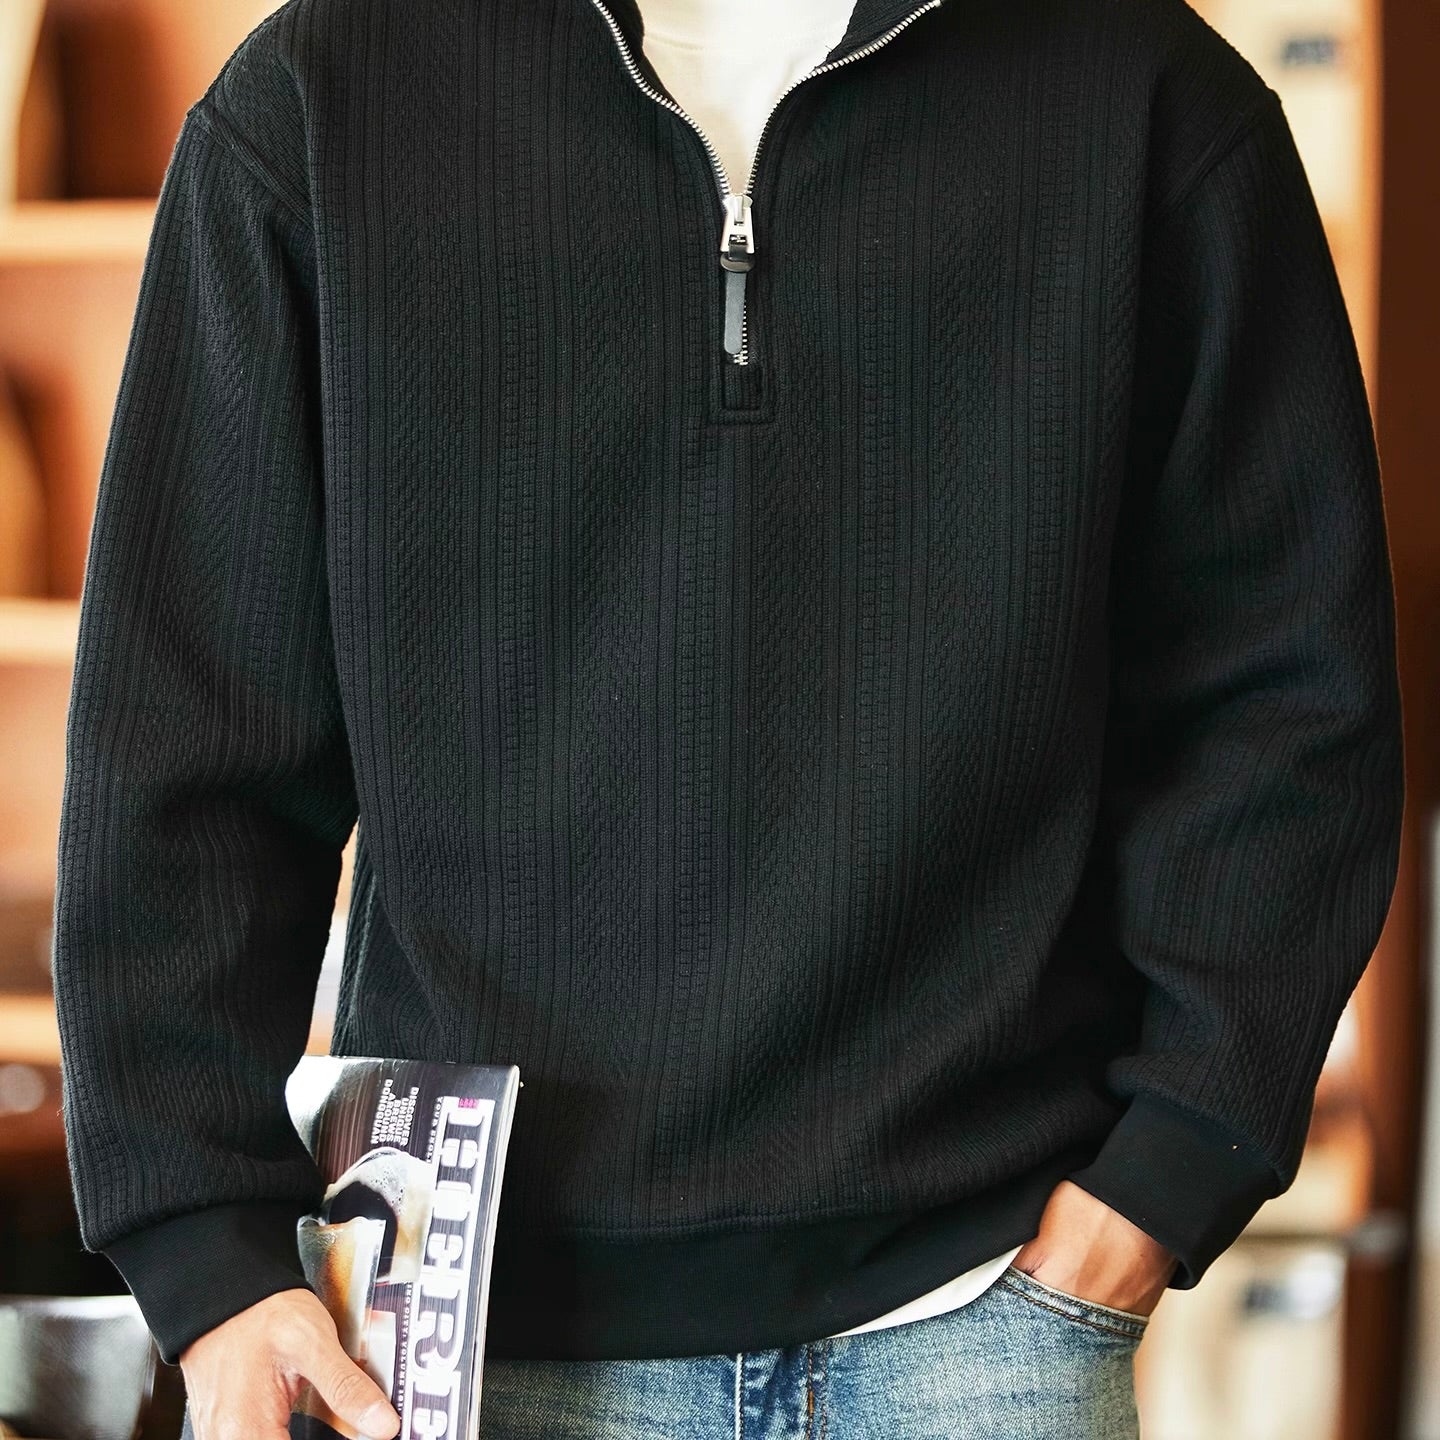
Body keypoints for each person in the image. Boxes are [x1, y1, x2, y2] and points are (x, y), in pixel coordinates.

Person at [49, 0, 1404, 1433]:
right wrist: (206, 1251)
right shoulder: (323, 97)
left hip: (985, 1318)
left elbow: (1288, 697)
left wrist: (1169, 1166)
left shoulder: (1148, 97)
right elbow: (184, 734)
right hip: (460, 1334)